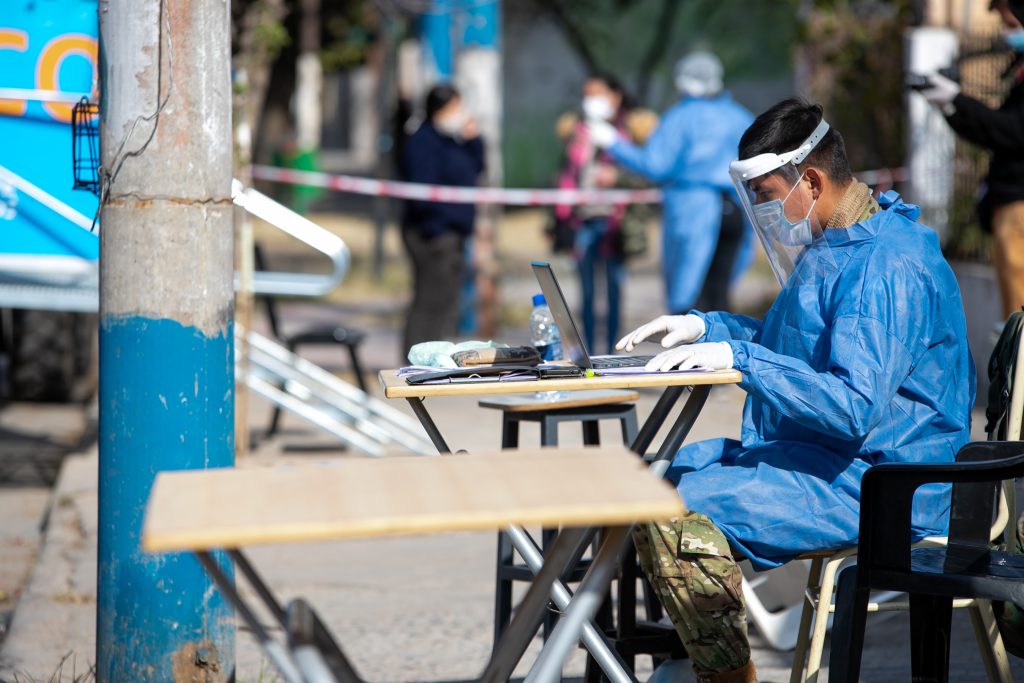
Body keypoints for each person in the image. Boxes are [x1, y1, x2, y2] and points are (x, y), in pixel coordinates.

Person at [614, 99, 975, 682]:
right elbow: (798, 346)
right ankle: (692, 663)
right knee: (650, 480)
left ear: (810, 180)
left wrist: (741, 359)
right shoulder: (842, 242)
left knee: (672, 515)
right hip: (834, 461)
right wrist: (709, 328)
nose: (762, 209)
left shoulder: (884, 265)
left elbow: (852, 404)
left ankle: (726, 676)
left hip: (889, 482)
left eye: (765, 193)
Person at [587, 51, 754, 314]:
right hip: (736, 209)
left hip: (693, 210)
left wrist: (613, 143)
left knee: (689, 301)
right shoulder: (740, 116)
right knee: (721, 295)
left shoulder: (680, 117)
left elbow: (655, 165)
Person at [917, 0, 1024, 319]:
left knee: (1019, 317)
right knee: (1013, 315)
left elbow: (1013, 131)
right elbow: (995, 133)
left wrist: (957, 99)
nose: (1005, 33)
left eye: (1011, 24)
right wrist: (951, 106)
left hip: (1019, 207)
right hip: (1009, 206)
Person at [551, 74, 651, 354]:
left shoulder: (629, 131)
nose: (591, 100)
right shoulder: (575, 132)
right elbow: (565, 176)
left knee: (614, 291)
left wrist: (616, 176)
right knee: (585, 294)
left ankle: (611, 353)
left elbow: (644, 174)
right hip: (582, 221)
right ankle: (588, 354)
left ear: (615, 96)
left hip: (615, 224)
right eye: (587, 94)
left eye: (598, 94)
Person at [398, 84, 485, 356]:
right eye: (455, 107)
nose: (461, 113)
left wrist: (474, 140)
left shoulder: (453, 141)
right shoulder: (422, 141)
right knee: (428, 302)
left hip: (453, 234)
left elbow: (476, 168)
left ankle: (435, 357)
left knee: (447, 303)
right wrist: (435, 231)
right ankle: (414, 359)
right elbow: (421, 193)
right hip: (431, 235)